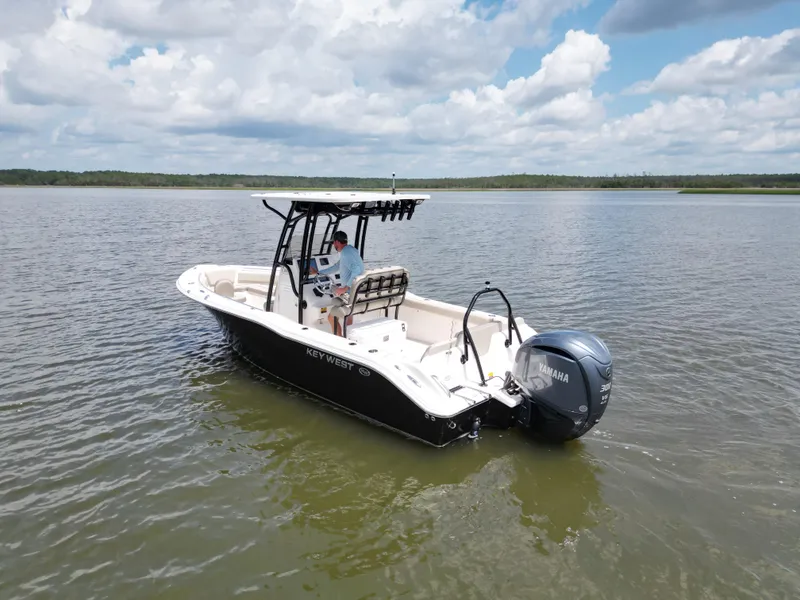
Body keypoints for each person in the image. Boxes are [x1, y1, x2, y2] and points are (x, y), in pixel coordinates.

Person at [309, 230, 365, 336]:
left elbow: (357, 270)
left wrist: (344, 288)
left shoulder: (345, 253)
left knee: (331, 317)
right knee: (348, 315)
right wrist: (318, 272)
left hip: (349, 292)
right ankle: (348, 336)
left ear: (337, 242)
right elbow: (336, 267)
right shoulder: (350, 250)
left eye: (333, 242)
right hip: (356, 291)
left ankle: (339, 340)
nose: (333, 245)